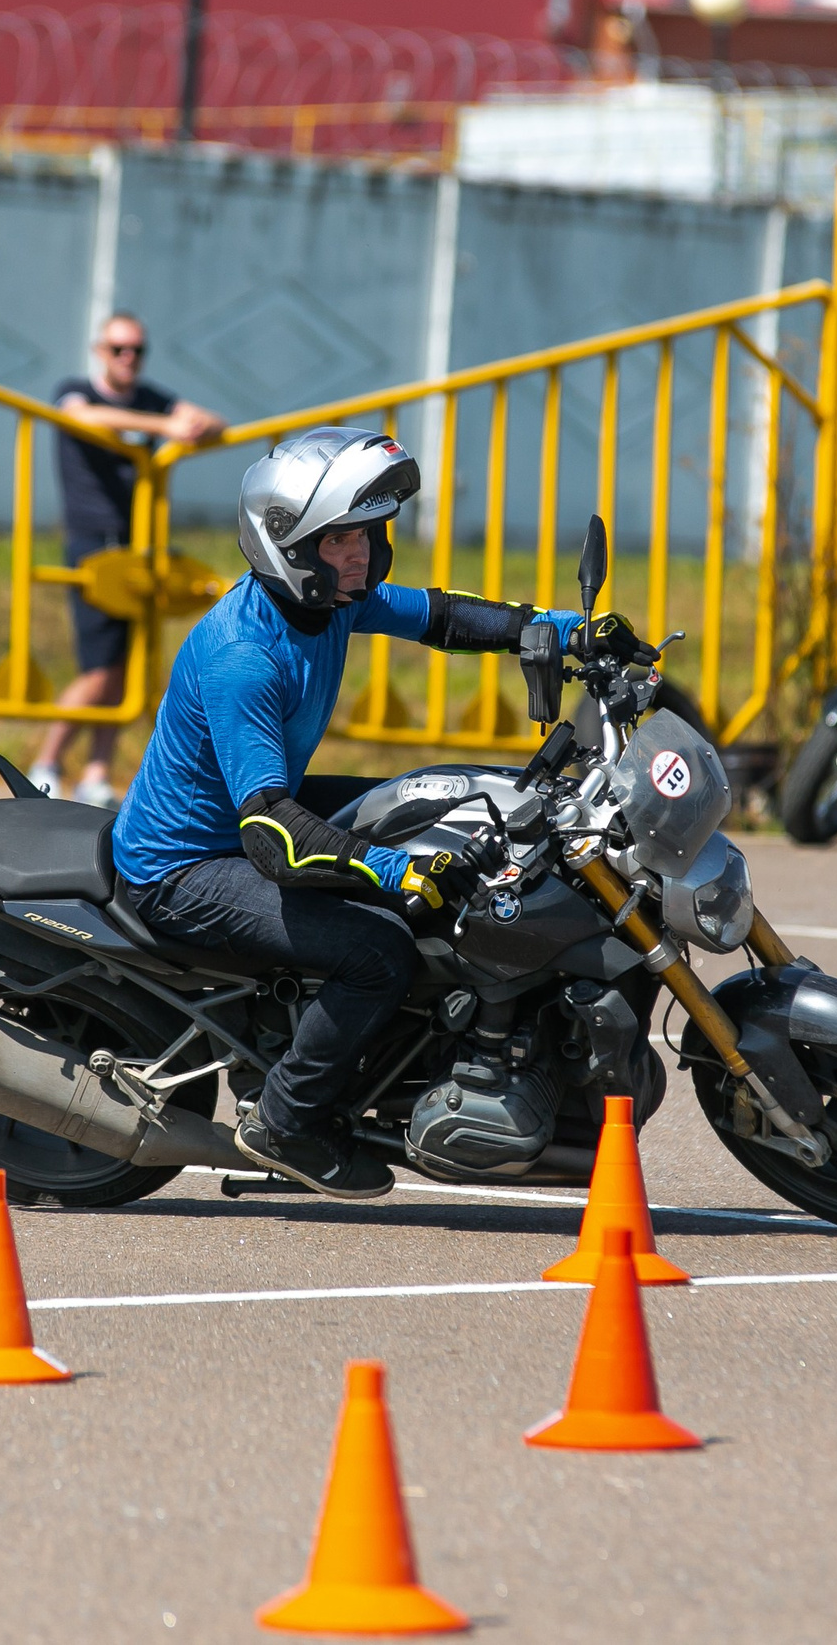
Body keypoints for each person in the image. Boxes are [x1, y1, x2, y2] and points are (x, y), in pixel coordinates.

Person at [112, 426, 644, 1199]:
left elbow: (444, 617)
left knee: (440, 803)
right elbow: (269, 834)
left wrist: (569, 631)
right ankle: (286, 1122)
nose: (361, 553)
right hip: (187, 864)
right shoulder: (244, 657)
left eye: (368, 534)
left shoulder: (326, 603)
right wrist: (391, 872)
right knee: (376, 950)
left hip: (250, 815)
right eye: (341, 539)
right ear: (290, 545)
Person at [33, 312, 227, 806]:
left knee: (125, 667)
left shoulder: (150, 396)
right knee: (99, 666)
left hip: (140, 540)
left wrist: (197, 424)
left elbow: (215, 423)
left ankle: (97, 771)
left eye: (137, 350)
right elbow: (81, 416)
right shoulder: (76, 389)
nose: (128, 359)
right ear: (100, 350)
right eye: (119, 349)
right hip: (92, 542)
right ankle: (47, 763)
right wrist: (165, 425)